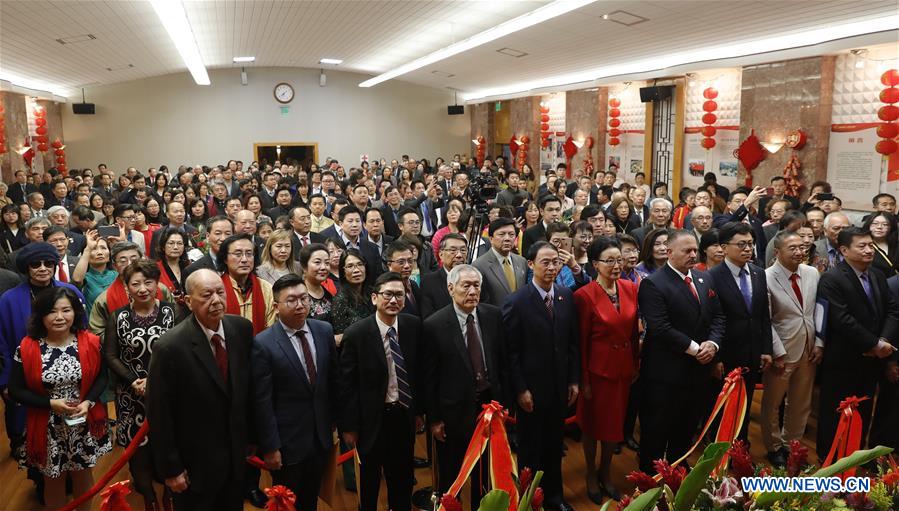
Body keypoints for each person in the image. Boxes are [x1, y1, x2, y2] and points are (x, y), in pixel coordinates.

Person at [147, 269, 254, 511]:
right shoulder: (169, 347)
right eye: (207, 295)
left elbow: (247, 391)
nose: (216, 300)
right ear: (187, 301)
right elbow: (160, 413)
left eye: (220, 292)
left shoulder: (241, 329)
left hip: (236, 457)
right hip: (194, 463)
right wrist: (171, 468)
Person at [8, 287, 110, 511]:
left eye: (66, 310)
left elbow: (102, 377)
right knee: (54, 480)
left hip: (82, 421)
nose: (60, 317)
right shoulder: (26, 348)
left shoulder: (91, 342)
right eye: (52, 311)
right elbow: (15, 390)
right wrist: (51, 404)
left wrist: (88, 402)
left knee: (83, 476)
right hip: (47, 425)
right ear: (41, 316)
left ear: (75, 313)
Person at [637, 229, 725, 474]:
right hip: (665, 373)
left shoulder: (704, 278)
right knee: (657, 429)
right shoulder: (653, 283)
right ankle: (649, 478)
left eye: (695, 250)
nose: (692, 255)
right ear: (669, 251)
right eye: (686, 251)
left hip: (697, 371)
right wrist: (697, 349)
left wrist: (713, 345)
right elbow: (660, 327)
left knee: (686, 425)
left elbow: (717, 316)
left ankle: (678, 466)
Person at [252, 274, 339, 511]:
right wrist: (270, 447)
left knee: (311, 499)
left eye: (304, 298)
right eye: (291, 300)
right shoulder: (263, 343)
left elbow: (332, 381)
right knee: (286, 503)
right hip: (287, 442)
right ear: (276, 306)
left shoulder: (323, 330)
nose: (300, 305)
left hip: (320, 436)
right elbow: (262, 400)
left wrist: (333, 422)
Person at [503, 241, 579, 511]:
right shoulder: (517, 301)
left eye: (555, 262)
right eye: (545, 262)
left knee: (554, 446)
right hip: (531, 391)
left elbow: (571, 344)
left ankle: (555, 497)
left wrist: (573, 380)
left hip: (559, 387)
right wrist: (520, 389)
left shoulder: (565, 295)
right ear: (531, 264)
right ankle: (529, 501)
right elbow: (511, 353)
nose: (551, 267)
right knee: (530, 450)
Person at [339, 271, 424, 511]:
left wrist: (419, 411)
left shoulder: (413, 326)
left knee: (403, 475)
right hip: (371, 419)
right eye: (388, 294)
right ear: (375, 298)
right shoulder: (357, 334)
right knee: (370, 479)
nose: (394, 300)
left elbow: (418, 372)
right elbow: (347, 385)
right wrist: (349, 426)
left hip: (403, 414)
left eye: (399, 295)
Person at [423, 264, 506, 508]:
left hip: (488, 408)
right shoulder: (434, 325)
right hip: (452, 412)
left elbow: (501, 362)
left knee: (484, 474)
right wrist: (435, 419)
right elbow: (430, 378)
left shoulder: (492, 316)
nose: (472, 291)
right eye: (465, 285)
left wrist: (504, 403)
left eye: (476, 285)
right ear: (451, 288)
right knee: (452, 476)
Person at [815, 227, 899, 458]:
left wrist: (883, 341)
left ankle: (854, 457)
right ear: (844, 250)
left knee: (862, 411)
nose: (868, 250)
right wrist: (874, 344)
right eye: (861, 246)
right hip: (843, 359)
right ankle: (829, 460)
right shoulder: (832, 279)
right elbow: (842, 320)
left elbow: (892, 310)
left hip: (873, 361)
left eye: (870, 245)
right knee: (836, 412)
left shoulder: (877, 275)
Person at [104, 261, 179, 510]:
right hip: (130, 394)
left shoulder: (172, 311)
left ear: (157, 284)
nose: (143, 288)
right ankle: (147, 494)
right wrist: (132, 380)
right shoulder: (119, 316)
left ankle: (170, 491)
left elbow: (181, 350)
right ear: (126, 287)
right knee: (137, 449)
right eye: (135, 283)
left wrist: (154, 380)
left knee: (169, 441)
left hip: (168, 391)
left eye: (148, 282)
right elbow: (111, 355)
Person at [575, 237, 639, 504]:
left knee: (614, 427)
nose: (616, 265)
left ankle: (606, 472)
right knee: (592, 426)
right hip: (597, 373)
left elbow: (634, 331)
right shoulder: (584, 296)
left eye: (619, 259)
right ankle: (591, 473)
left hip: (624, 369)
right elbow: (580, 342)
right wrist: (584, 380)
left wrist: (636, 363)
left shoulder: (630, 288)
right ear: (595, 264)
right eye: (609, 260)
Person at [761, 231, 823, 467]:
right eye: (793, 248)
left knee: (800, 402)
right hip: (782, 351)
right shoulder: (765, 277)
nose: (800, 252)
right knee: (772, 403)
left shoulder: (811, 273)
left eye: (802, 247)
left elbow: (818, 310)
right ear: (777, 252)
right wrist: (777, 352)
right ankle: (774, 447)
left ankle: (792, 446)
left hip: (808, 348)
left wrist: (819, 342)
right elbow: (766, 320)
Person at [709, 222, 773, 442]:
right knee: (723, 406)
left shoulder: (758, 273)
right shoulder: (713, 276)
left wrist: (766, 349)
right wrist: (714, 358)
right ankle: (719, 455)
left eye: (751, 244)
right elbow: (710, 320)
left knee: (745, 404)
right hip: (726, 353)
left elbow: (763, 315)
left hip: (753, 351)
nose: (748, 249)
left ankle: (740, 449)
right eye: (741, 244)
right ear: (724, 248)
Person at [217, 234, 276, 337]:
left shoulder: (265, 287)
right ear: (225, 258)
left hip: (261, 347)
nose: (244, 259)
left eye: (249, 254)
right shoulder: (217, 288)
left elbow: (271, 327)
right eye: (238, 254)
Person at [474, 218, 528, 307]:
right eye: (502, 234)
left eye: (511, 234)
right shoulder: (479, 265)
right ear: (491, 239)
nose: (507, 238)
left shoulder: (522, 261)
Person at [419, 233, 468, 319]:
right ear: (441, 254)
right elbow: (428, 318)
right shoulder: (428, 282)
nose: (459, 255)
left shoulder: (475, 278)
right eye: (453, 251)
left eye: (463, 250)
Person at [331, 249, 374, 345]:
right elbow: (341, 338)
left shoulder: (373, 292)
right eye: (350, 266)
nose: (356, 270)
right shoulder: (339, 300)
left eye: (360, 264)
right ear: (343, 272)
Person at [300, 243, 334, 323]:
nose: (323, 267)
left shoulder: (328, 295)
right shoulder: (298, 295)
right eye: (317, 262)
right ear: (304, 266)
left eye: (327, 263)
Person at [863, 212, 899, 277]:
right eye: (875, 223)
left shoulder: (896, 244)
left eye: (885, 224)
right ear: (868, 225)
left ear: (891, 227)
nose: (879, 227)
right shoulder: (862, 246)